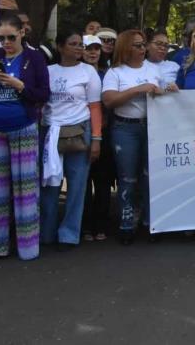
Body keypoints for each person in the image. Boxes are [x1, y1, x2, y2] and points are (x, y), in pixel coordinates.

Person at [0, 14, 50, 262]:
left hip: (24, 128)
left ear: (22, 33)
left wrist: (20, 86)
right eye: (1, 37)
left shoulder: (34, 58)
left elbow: (44, 94)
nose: (5, 42)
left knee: (26, 191)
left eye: (11, 37)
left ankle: (27, 247)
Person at [39, 31, 103, 250]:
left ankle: (69, 234)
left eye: (80, 45)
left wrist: (96, 139)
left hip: (79, 130)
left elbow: (95, 107)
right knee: (49, 183)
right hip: (50, 132)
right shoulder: (47, 71)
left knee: (77, 186)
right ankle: (46, 232)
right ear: (60, 46)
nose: (78, 48)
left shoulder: (88, 72)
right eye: (73, 44)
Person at [102, 30, 165, 245]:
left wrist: (168, 89)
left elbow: (163, 93)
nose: (142, 49)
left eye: (143, 45)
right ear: (126, 48)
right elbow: (109, 100)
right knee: (127, 177)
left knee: (150, 176)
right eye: (137, 45)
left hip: (152, 127)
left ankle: (150, 221)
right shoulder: (115, 72)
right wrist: (138, 89)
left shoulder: (154, 69)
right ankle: (127, 223)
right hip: (125, 128)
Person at [81, 35, 112, 242]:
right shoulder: (76, 73)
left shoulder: (107, 74)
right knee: (82, 182)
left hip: (106, 131)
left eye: (96, 49)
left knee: (103, 181)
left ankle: (101, 224)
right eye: (88, 48)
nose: (93, 52)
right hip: (81, 131)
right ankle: (84, 225)